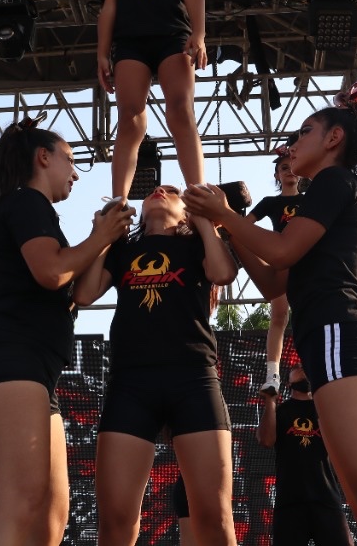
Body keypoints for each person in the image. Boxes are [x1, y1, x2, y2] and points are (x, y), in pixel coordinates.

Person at [184, 77, 357, 545]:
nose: (292, 144)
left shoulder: (335, 181)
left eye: (304, 132)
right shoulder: (325, 193)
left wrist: (226, 215)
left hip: (339, 334)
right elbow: (275, 281)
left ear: (334, 138)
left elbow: (282, 250)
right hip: (333, 340)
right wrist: (227, 226)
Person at [0, 117, 134, 546]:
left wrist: (102, 240)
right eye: (70, 160)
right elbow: (52, 272)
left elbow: (75, 292)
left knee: (51, 514)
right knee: (21, 503)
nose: (76, 173)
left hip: (37, 369)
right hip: (13, 359)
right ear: (42, 157)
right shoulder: (26, 202)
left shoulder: (36, 211)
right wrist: (99, 236)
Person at [73, 184, 237, 545]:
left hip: (193, 377)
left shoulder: (196, 245)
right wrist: (103, 236)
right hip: (130, 383)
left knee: (214, 515)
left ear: (186, 212)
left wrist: (204, 222)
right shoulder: (123, 250)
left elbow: (223, 274)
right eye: (153, 191)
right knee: (116, 521)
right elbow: (84, 294)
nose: (160, 190)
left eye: (173, 191)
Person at [96, 0, 208, 202]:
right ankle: (118, 201)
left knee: (180, 110)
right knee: (129, 117)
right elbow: (108, 10)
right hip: (130, 44)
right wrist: (102, 54)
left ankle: (197, 191)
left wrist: (199, 34)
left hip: (173, 37)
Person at [257, 364, 353, 546]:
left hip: (326, 498)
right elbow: (266, 440)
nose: (302, 370)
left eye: (306, 368)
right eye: (297, 369)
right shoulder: (281, 411)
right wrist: (270, 401)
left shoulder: (325, 409)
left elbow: (343, 441)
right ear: (288, 383)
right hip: (289, 501)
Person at [247, 138, 306, 395]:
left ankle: (312, 368)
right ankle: (273, 375)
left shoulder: (311, 199)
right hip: (282, 260)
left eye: (292, 165)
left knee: (308, 312)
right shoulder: (270, 203)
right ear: (277, 175)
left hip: (308, 260)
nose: (289, 170)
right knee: (279, 315)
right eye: (283, 168)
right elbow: (244, 227)